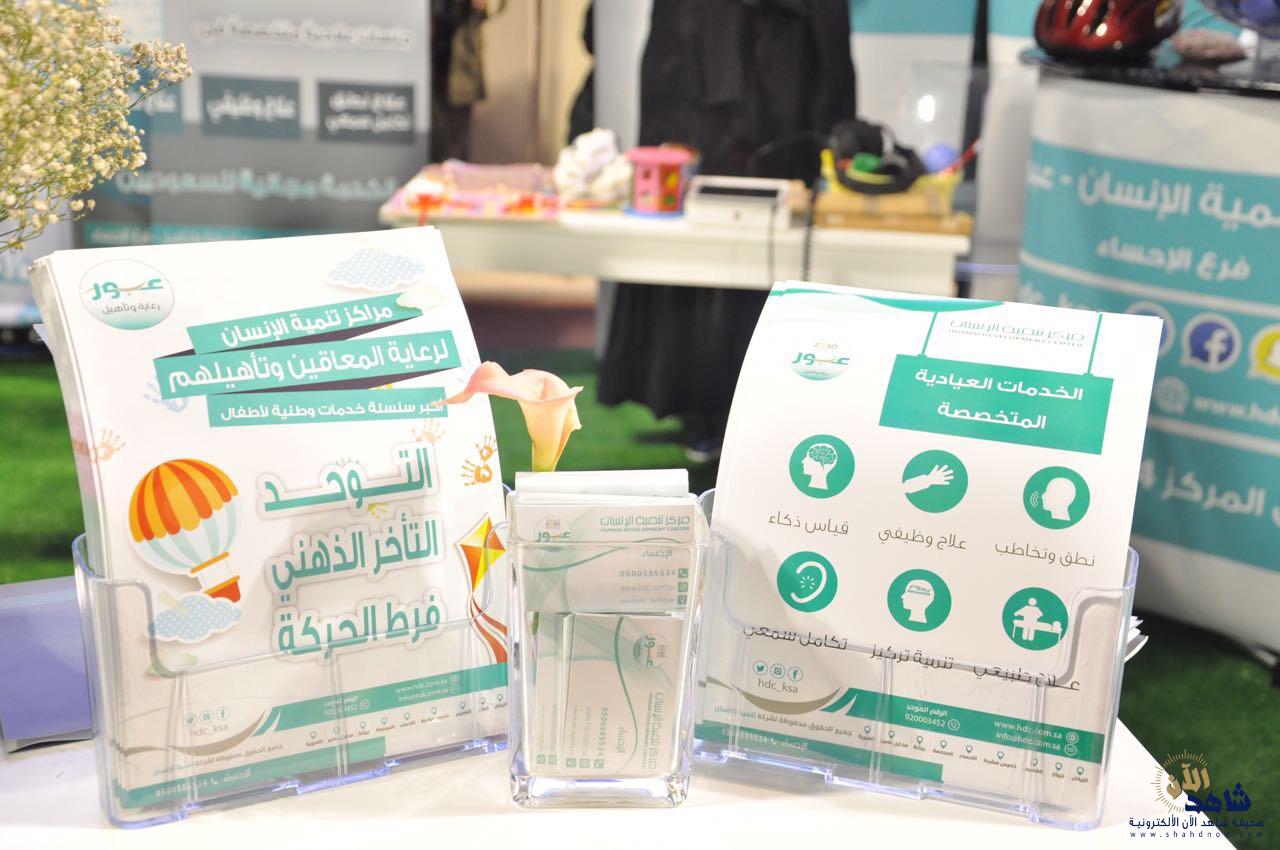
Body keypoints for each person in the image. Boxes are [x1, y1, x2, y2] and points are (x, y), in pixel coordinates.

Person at [595, 0, 857, 462]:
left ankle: (764, 410)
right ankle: (701, 410)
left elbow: (828, 59)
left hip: (783, 77)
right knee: (698, 246)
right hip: (700, 66)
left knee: (770, 243)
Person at [431, 0, 502, 162]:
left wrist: (481, 7)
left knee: (455, 143)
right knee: (434, 140)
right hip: (425, 64)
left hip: (460, 69)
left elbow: (491, 8)